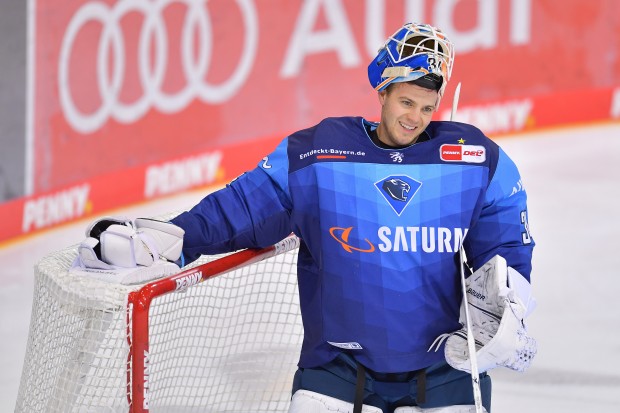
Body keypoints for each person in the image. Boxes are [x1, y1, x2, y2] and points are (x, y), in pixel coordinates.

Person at [79, 23, 536, 412]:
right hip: (336, 368)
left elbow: (504, 251)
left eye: (427, 108)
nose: (415, 118)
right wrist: (175, 239)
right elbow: (243, 208)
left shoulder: (473, 158)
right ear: (383, 91)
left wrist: (509, 298)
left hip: (445, 368)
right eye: (406, 103)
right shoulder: (319, 153)